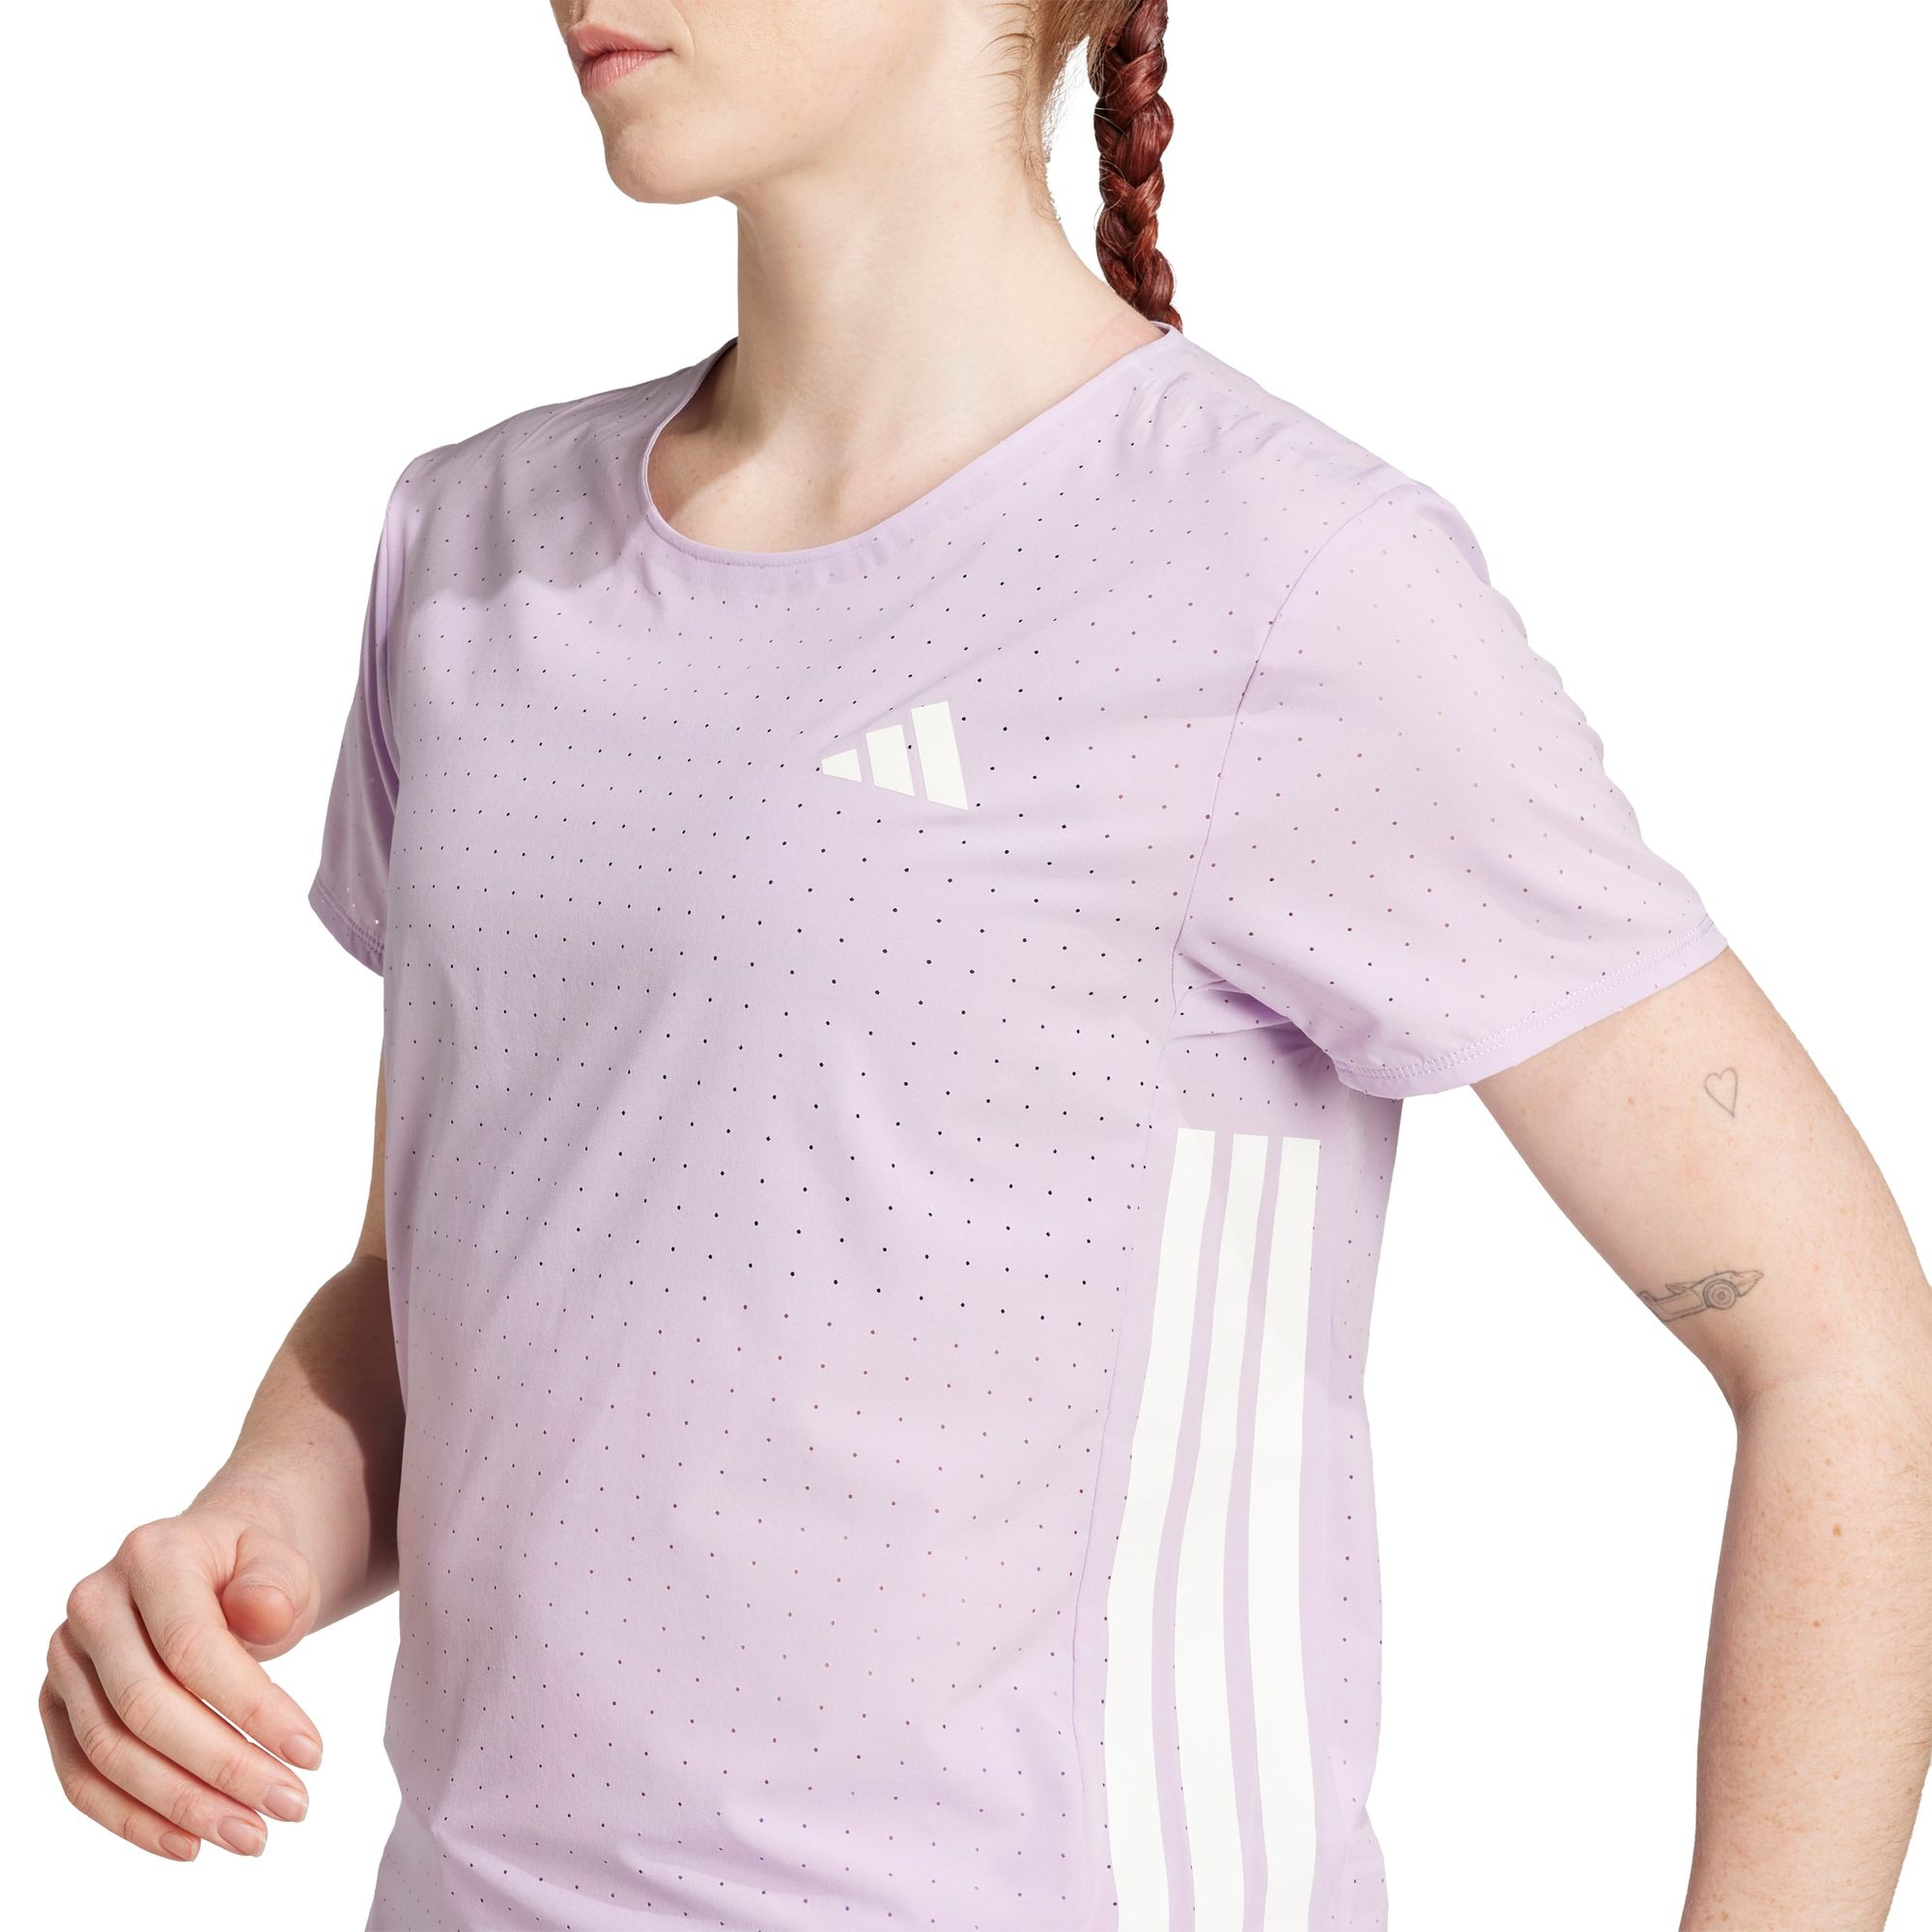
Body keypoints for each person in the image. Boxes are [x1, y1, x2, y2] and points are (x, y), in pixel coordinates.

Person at [38, 2, 1932, 1927]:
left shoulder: (1280, 583)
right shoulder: (468, 553)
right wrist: (249, 1534)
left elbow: (1838, 1341)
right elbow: (436, 1285)